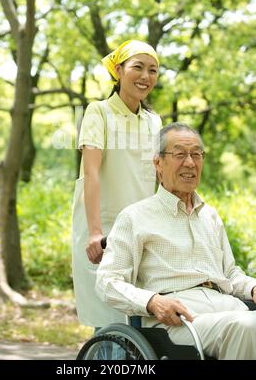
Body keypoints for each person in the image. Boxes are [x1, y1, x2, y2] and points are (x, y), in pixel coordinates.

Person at [96, 122, 256, 360]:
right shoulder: (135, 217)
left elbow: (230, 274)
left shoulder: (210, 215)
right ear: (158, 163)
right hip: (177, 320)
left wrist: (252, 287)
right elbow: (107, 281)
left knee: (245, 323)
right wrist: (152, 302)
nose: (190, 163)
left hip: (227, 306)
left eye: (196, 155)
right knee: (248, 327)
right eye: (180, 154)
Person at [72, 39, 162, 328]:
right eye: (138, 67)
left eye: (153, 70)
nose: (145, 76)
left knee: (142, 315)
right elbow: (92, 173)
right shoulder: (99, 112)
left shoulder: (154, 121)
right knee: (110, 319)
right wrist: (95, 232)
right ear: (119, 71)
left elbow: (159, 179)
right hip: (105, 228)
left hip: (144, 229)